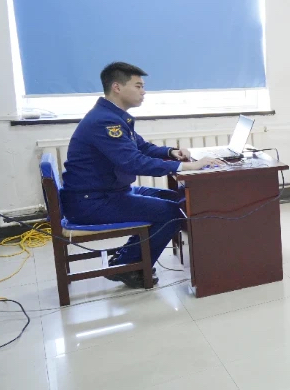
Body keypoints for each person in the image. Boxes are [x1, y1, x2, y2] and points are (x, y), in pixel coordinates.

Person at [61, 62, 224, 288]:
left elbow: (142, 147)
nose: (143, 91)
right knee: (173, 212)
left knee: (177, 199)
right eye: (138, 86)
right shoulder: (105, 122)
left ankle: (129, 255)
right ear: (117, 87)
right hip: (92, 202)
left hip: (108, 192)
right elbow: (133, 162)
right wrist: (186, 167)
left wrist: (170, 152)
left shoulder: (113, 116)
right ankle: (129, 266)